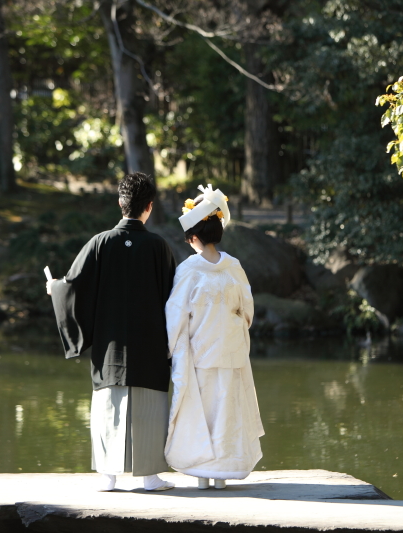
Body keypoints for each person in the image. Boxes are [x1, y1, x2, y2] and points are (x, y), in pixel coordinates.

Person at [47, 172, 177, 492]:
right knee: (150, 404)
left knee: (109, 403)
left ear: (120, 204)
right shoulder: (159, 247)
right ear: (149, 207)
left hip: (110, 346)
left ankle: (107, 475)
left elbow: (72, 286)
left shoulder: (100, 242)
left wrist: (54, 288)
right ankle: (149, 477)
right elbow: (176, 296)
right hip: (150, 345)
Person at [164, 184, 264, 490]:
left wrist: (167, 350)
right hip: (231, 351)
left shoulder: (188, 270)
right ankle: (224, 475)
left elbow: (176, 314)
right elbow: (247, 312)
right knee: (226, 413)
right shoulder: (234, 267)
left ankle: (203, 478)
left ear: (193, 237)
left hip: (202, 351)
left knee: (202, 414)